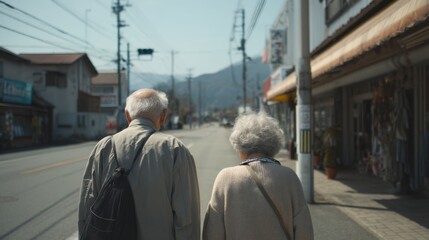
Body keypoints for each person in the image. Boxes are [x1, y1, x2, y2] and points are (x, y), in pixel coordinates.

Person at [78, 88, 200, 240]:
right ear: (163, 116)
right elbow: (186, 217)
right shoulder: (175, 149)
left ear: (127, 115)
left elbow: (87, 208)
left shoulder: (104, 147)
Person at [203, 112, 314, 240]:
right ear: (274, 146)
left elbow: (212, 232)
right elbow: (304, 232)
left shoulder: (225, 178)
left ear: (240, 147)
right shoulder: (290, 177)